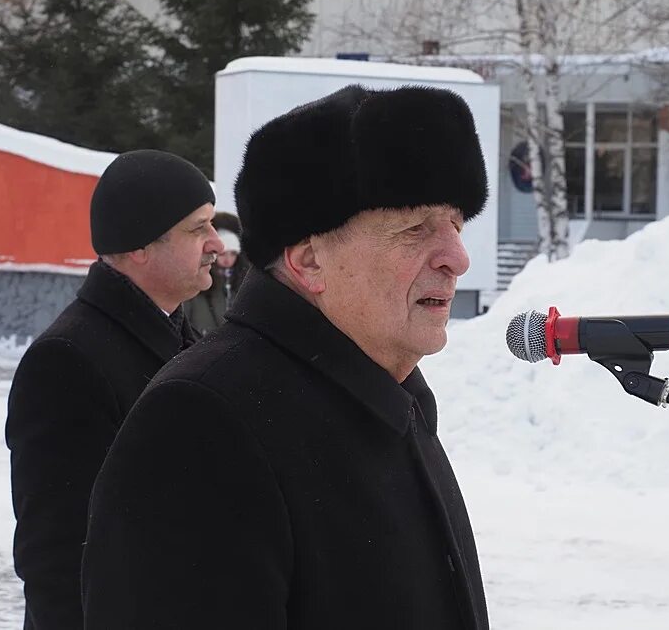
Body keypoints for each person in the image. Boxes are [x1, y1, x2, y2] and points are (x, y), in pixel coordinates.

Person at [82, 85, 490, 629]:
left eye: (456, 226)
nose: (457, 259)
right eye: (414, 229)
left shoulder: (395, 399)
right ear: (308, 260)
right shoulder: (202, 425)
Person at [6, 150, 224, 629]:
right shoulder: (67, 360)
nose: (216, 243)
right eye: (197, 228)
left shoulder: (185, 339)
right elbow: (57, 558)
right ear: (140, 245)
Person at [184, 211, 249, 335]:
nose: (227, 260)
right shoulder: (194, 287)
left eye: (233, 253)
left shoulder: (244, 285)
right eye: (223, 254)